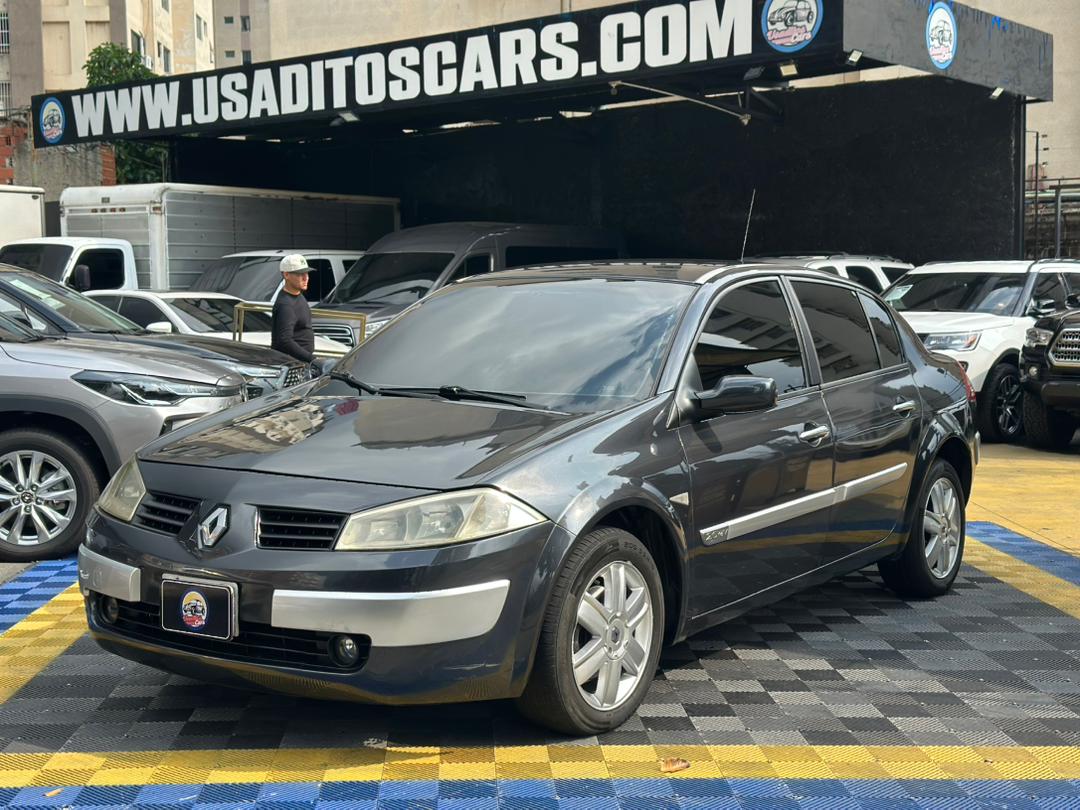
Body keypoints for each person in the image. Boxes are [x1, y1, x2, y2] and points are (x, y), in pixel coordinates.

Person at [271, 254, 317, 366]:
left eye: (307, 273)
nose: (306, 278)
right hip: (291, 364)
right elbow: (284, 341)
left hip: (301, 362)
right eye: (300, 274)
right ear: (286, 275)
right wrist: (312, 359)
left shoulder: (297, 295)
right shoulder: (286, 305)